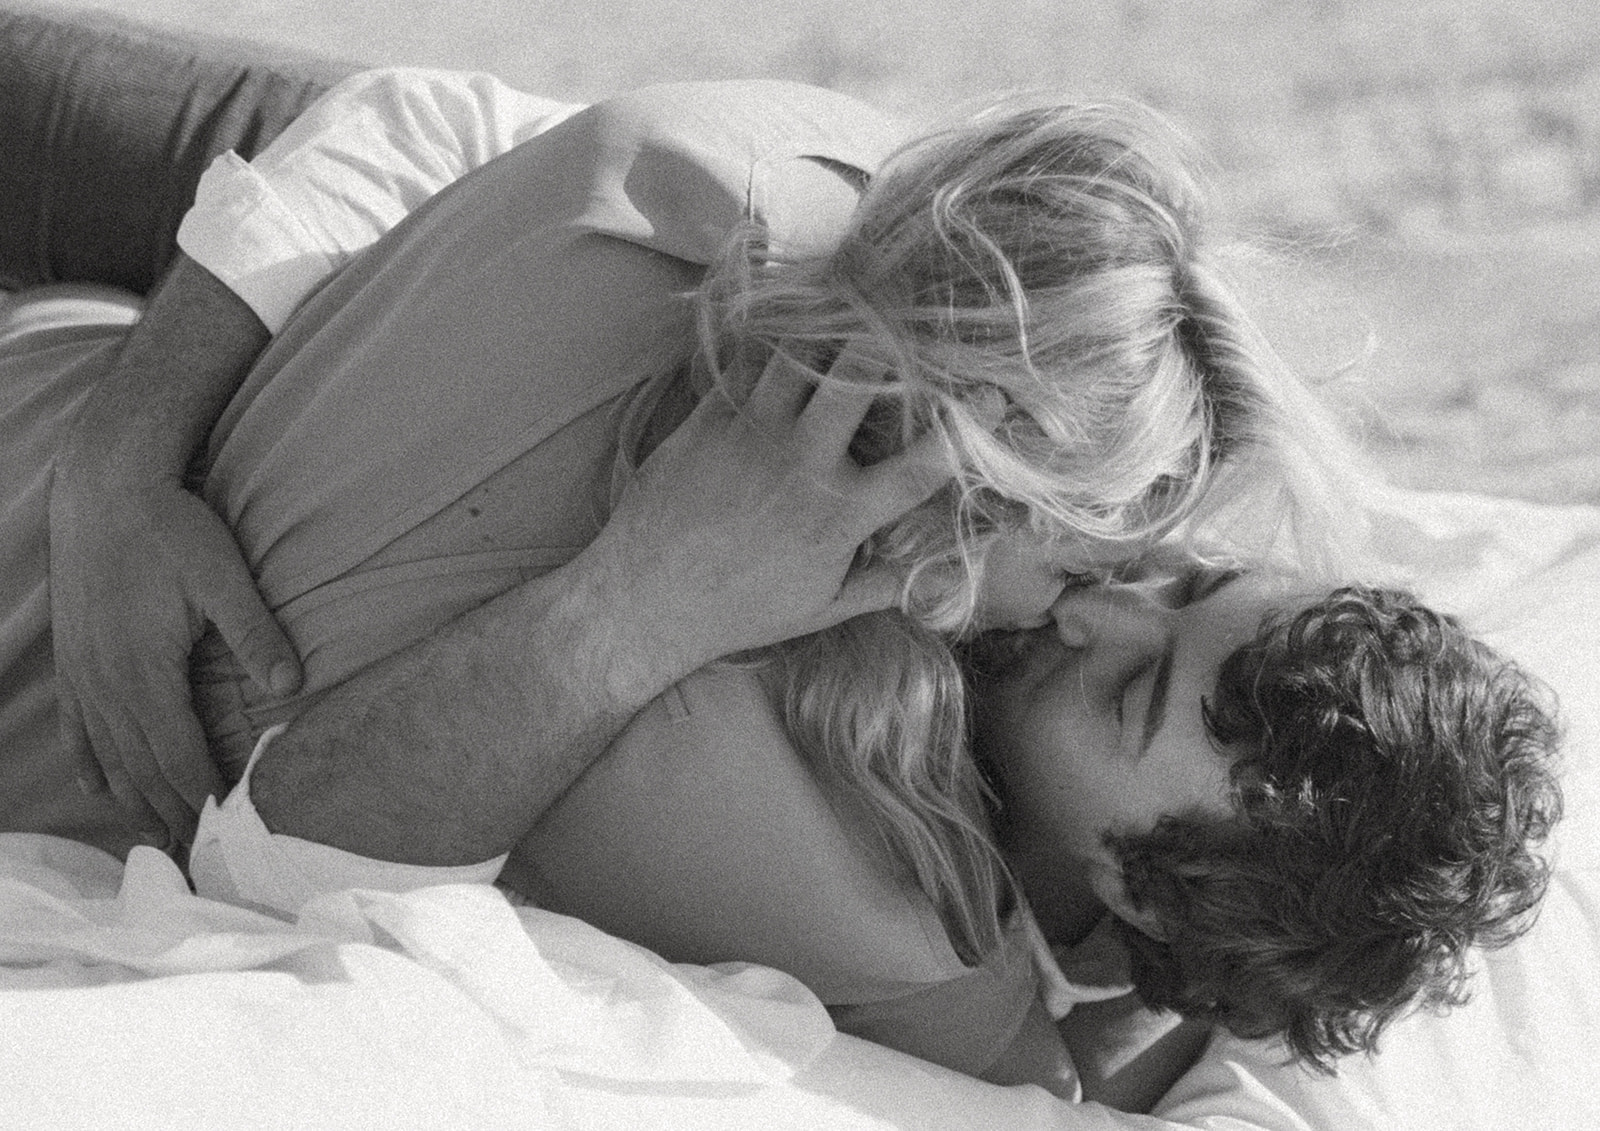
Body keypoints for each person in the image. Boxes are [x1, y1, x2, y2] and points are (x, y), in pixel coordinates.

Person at [7, 72, 1559, 1098]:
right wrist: (122, 464)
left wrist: (646, 602)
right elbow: (422, 110)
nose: (1091, 602)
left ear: (1149, 894)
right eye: (1177, 573)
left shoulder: (787, 193)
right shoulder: (891, 342)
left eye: (1130, 685)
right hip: (88, 369)